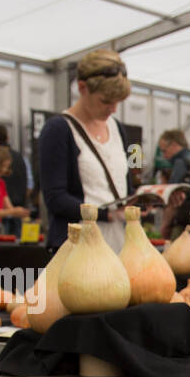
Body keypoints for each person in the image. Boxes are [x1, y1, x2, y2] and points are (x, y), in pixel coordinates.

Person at [38, 49, 133, 251]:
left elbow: (127, 184)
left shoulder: (118, 129)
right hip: (76, 248)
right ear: (82, 88)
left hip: (117, 244)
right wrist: (106, 214)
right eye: (106, 101)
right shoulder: (57, 130)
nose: (113, 108)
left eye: (117, 102)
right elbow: (55, 199)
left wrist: (148, 199)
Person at [0, 123, 30, 237]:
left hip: (0, 211)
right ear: (7, 136)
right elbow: (29, 181)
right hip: (18, 204)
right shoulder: (19, 156)